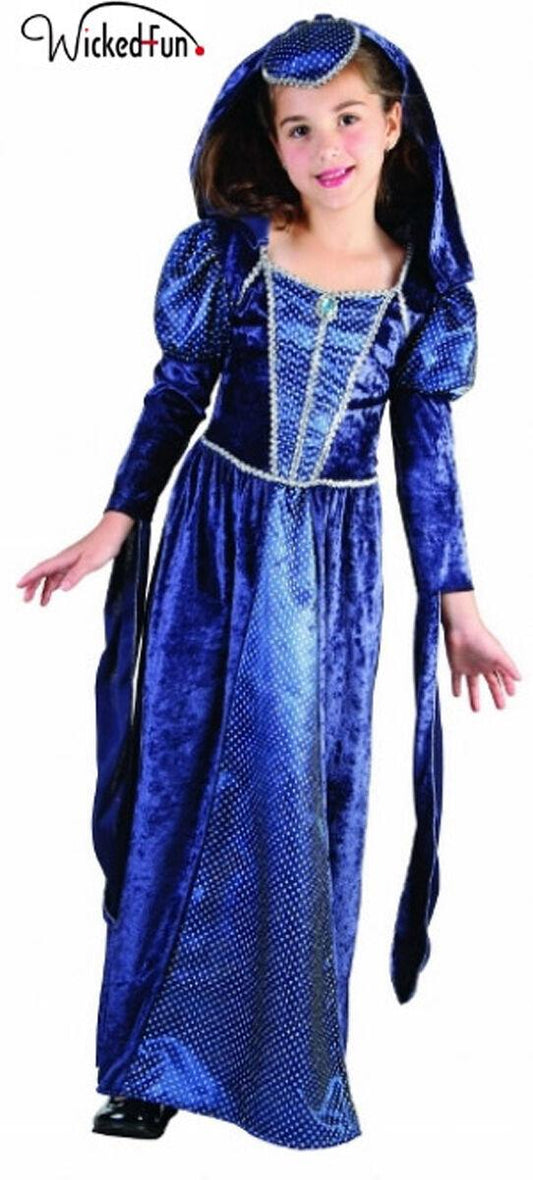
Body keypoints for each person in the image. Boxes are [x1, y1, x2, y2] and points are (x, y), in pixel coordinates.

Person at [16, 12, 521, 1151]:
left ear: (392, 125)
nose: (325, 145)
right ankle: (147, 1061)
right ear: (272, 139)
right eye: (298, 128)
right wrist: (115, 520)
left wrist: (457, 602)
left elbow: (424, 462)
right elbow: (177, 389)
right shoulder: (235, 253)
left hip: (329, 571)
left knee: (292, 793)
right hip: (214, 537)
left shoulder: (417, 294)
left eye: (346, 118)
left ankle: (281, 1064)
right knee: (185, 778)